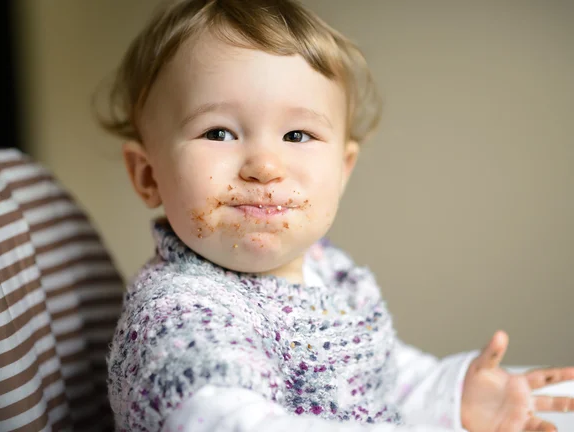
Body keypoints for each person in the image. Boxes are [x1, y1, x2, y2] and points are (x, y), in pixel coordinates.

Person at [96, 0, 574, 430]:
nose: (264, 166)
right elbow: (222, 418)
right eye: (218, 132)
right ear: (148, 176)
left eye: (298, 136)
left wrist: (454, 399)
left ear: (343, 170)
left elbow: (381, 375)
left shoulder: (327, 268)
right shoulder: (178, 314)